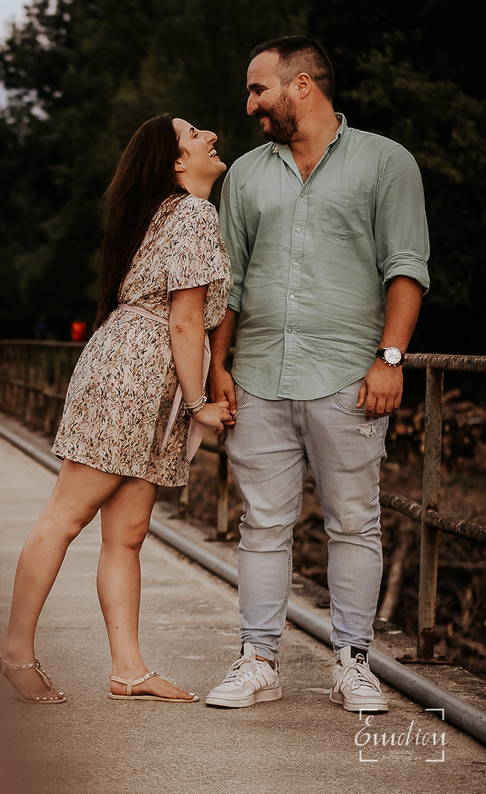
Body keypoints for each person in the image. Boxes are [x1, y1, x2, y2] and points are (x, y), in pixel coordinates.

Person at [204, 36, 429, 713]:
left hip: (348, 377)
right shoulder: (245, 175)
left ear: (302, 85)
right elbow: (230, 283)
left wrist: (389, 360)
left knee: (354, 523)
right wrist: (217, 366)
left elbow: (407, 268)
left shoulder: (386, 162)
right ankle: (257, 660)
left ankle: (354, 663)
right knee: (263, 524)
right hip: (261, 375)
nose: (250, 105)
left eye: (258, 89)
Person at [0, 114, 232, 704]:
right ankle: (13, 649)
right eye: (195, 134)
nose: (211, 137)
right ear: (177, 163)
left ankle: (128, 669)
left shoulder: (168, 215)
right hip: (133, 375)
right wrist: (200, 404)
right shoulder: (193, 214)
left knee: (127, 534)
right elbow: (183, 317)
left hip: (146, 376)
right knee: (66, 516)